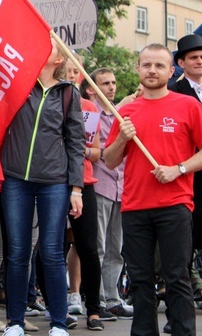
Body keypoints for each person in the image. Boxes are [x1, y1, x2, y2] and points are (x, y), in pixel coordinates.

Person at [104, 43, 202, 336]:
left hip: (175, 204)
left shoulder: (188, 106)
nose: (152, 70)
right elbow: (110, 161)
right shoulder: (126, 111)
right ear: (137, 69)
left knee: (177, 277)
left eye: (159, 65)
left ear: (171, 71)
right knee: (140, 280)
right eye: (147, 65)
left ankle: (183, 331)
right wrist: (122, 138)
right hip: (135, 207)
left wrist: (179, 169)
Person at [0, 37, 85, 336]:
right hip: (15, 180)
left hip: (54, 183)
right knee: (18, 252)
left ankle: (59, 323)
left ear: (58, 59)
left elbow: (76, 143)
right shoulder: (17, 84)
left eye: (47, 46)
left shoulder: (68, 94)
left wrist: (76, 188)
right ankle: (15, 322)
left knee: (51, 252)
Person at [79, 69, 137, 321]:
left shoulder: (123, 112)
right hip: (100, 183)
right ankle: (98, 298)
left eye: (114, 82)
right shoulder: (90, 112)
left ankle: (113, 298)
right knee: (98, 246)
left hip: (122, 186)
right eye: (105, 83)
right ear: (92, 87)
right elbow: (91, 148)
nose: (112, 87)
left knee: (117, 247)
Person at [63, 56, 104, 330]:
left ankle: (94, 310)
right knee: (51, 248)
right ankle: (59, 307)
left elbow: (98, 153)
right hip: (52, 182)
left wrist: (79, 148)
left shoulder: (88, 107)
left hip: (85, 183)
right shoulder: (47, 102)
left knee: (88, 247)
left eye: (74, 70)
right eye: (65, 69)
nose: (70, 74)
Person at [169, 34, 202, 301]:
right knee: (186, 239)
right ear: (181, 62)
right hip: (191, 173)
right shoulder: (174, 91)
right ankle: (181, 299)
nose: (200, 61)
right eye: (194, 57)